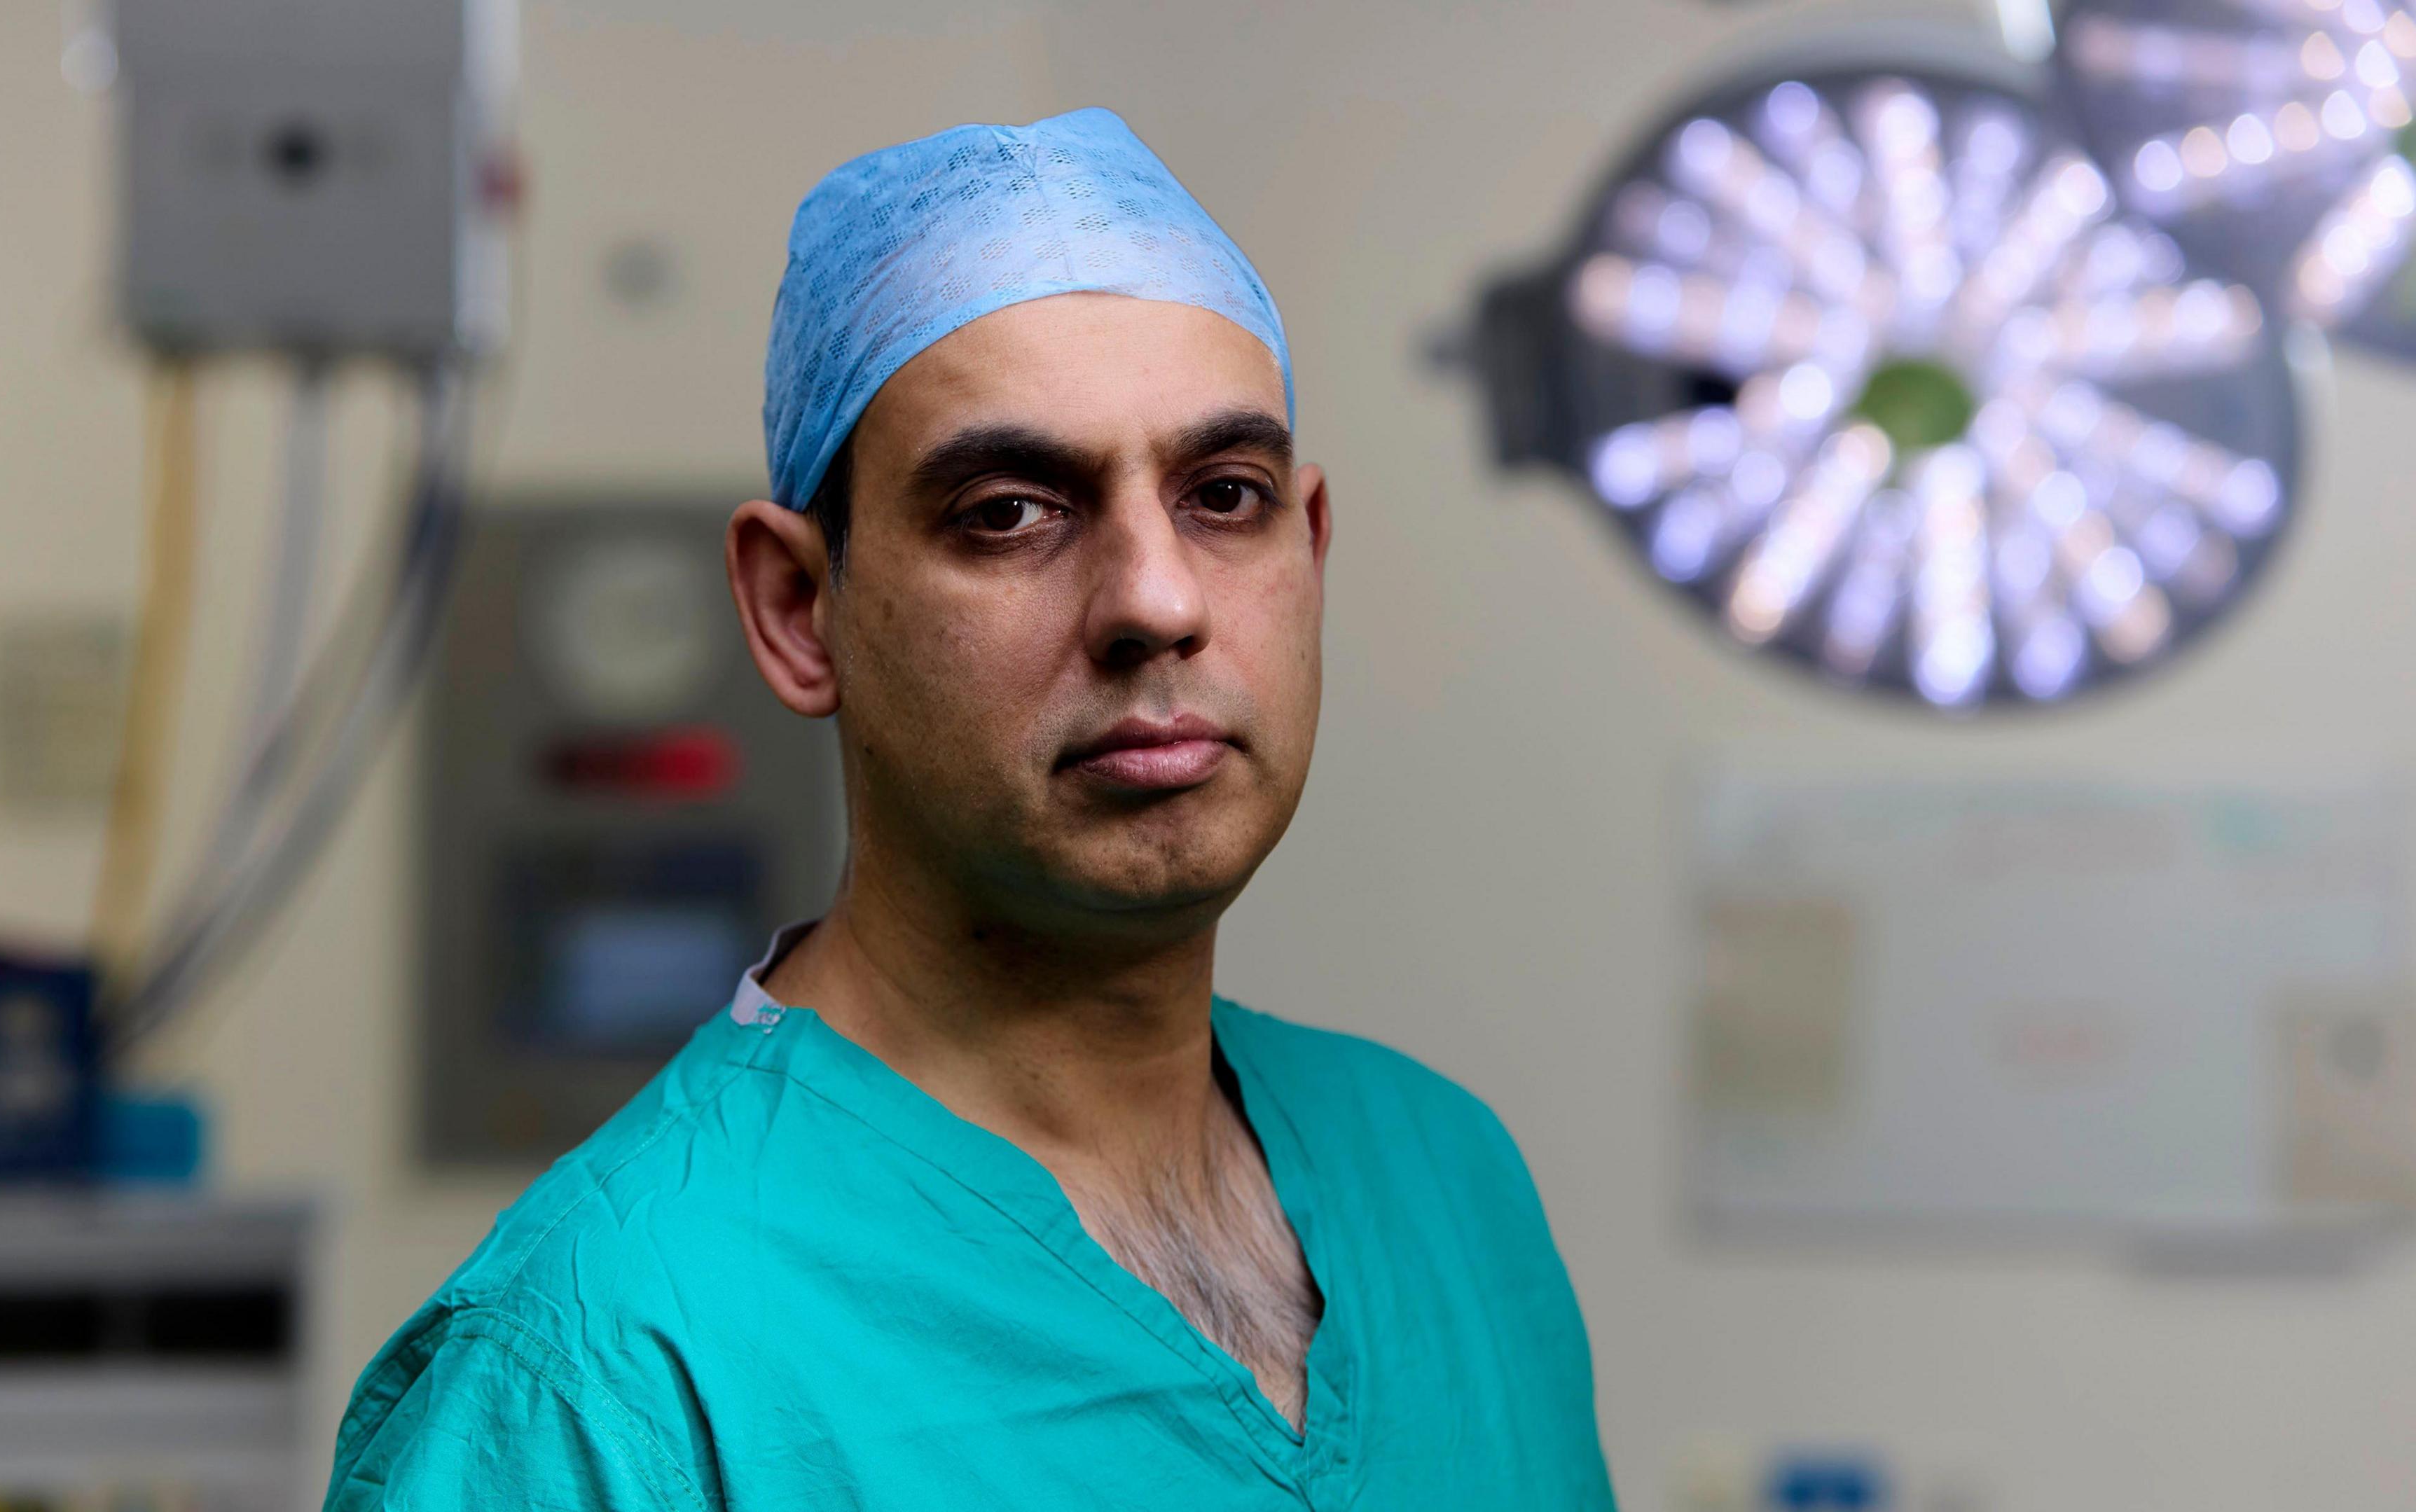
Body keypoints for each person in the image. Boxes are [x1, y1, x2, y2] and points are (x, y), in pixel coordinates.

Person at [324, 107, 1614, 1509]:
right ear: (799, 609)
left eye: (1224, 496)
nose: (1156, 601)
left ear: (1308, 549)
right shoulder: (612, 1366)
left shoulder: (1442, 1187)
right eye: (1010, 511)